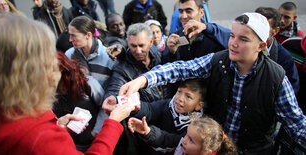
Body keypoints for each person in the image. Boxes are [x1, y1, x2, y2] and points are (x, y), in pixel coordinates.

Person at [119, 12, 306, 154]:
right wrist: (143, 80)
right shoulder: (219, 60)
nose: (232, 43)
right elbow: (181, 68)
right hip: (216, 148)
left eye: (243, 39)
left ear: (261, 46)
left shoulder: (276, 78)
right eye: (232, 36)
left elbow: (297, 125)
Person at [0, 13, 137, 155]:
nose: (54, 66)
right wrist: (112, 123)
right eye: (48, 57)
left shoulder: (13, 118)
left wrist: (58, 126)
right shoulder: (40, 138)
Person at [100, 23, 175, 155]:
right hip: (147, 129)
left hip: (172, 123)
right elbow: (115, 87)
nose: (138, 50)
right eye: (133, 46)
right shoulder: (122, 68)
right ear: (127, 42)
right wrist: (112, 98)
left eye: (142, 45)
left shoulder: (160, 55)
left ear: (151, 42)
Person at [194, 7, 300, 95]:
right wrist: (205, 26)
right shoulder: (222, 57)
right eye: (232, 36)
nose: (234, 44)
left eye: (244, 40)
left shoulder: (281, 67)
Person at [127, 78, 207, 155]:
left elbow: (174, 141)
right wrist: (136, 105)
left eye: (188, 96)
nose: (180, 98)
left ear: (199, 105)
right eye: (179, 92)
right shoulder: (168, 105)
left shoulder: (197, 126)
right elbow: (150, 110)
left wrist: (149, 132)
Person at [53, 52, 105, 152]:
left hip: (90, 143)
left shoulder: (87, 84)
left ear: (61, 69)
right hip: (65, 146)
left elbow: (105, 107)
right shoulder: (47, 91)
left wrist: (96, 132)